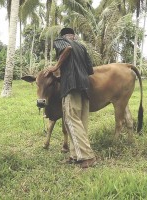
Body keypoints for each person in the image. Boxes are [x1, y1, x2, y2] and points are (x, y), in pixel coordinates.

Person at [44, 27, 96, 168]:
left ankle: (88, 156)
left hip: (71, 87)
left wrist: (55, 67)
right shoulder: (81, 47)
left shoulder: (61, 40)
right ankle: (75, 155)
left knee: (70, 121)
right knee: (80, 122)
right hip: (84, 88)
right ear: (74, 36)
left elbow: (67, 49)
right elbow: (90, 70)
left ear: (65, 36)